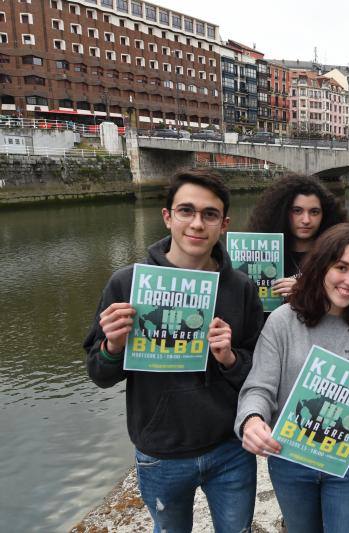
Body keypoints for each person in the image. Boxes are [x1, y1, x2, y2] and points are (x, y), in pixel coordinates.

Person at [84, 169, 264, 532]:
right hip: (160, 453)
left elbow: (258, 373)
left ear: (223, 224)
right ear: (167, 217)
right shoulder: (127, 283)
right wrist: (113, 346)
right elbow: (99, 374)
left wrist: (229, 358)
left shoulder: (241, 288)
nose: (197, 224)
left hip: (229, 448)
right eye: (186, 211)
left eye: (209, 214)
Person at [235, 223, 349, 533]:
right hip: (288, 457)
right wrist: (251, 420)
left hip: (345, 458)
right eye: (341, 267)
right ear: (320, 268)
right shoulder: (282, 321)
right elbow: (259, 386)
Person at [247, 173, 348, 301]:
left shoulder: (335, 253)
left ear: (325, 214)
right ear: (283, 212)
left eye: (314, 212)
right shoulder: (262, 255)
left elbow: (346, 297)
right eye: (297, 211)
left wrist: (304, 291)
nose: (306, 220)